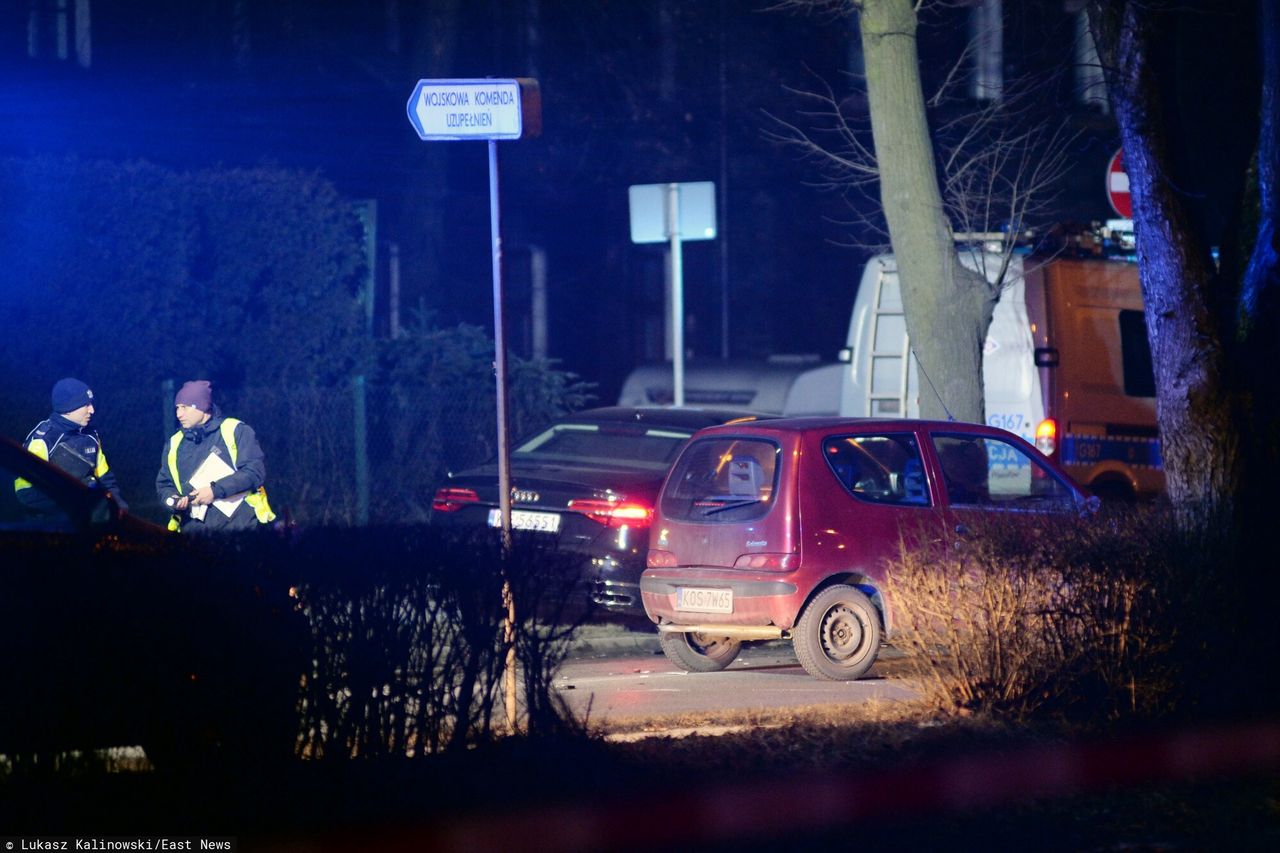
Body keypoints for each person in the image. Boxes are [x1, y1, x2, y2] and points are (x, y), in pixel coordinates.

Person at [156, 379, 276, 533]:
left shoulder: (235, 431)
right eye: (177, 408)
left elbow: (254, 472)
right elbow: (164, 485)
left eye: (184, 408)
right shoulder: (174, 443)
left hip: (240, 529)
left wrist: (215, 491)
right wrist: (172, 500)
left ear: (202, 407)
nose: (179, 414)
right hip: (194, 533)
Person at [15, 377, 129, 516]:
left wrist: (119, 508)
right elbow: (26, 493)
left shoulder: (91, 436)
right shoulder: (43, 440)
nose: (92, 410)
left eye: (91, 404)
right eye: (86, 405)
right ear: (68, 408)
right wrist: (76, 502)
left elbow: (106, 480)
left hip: (89, 520)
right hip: (56, 527)